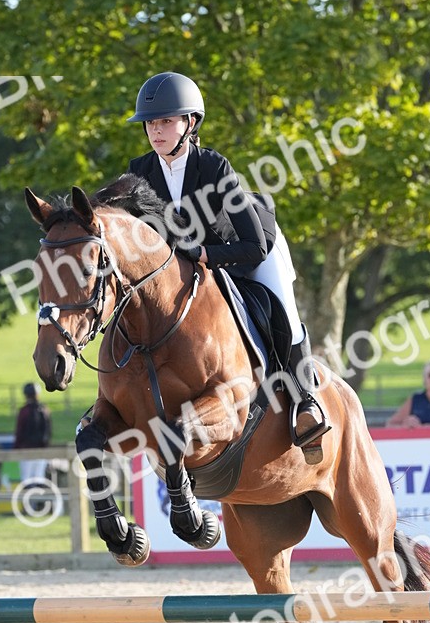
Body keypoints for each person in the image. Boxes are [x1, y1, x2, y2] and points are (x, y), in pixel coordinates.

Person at [126, 70, 329, 460]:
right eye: (151, 123)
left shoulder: (214, 168)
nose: (156, 131)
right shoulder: (140, 172)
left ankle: (306, 402)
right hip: (191, 270)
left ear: (190, 123)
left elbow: (254, 244)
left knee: (282, 309)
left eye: (166, 121)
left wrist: (205, 255)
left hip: (246, 252)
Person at [14, 382, 53, 481]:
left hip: (26, 449)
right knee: (39, 477)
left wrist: (16, 447)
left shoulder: (24, 411)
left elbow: (19, 431)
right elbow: (49, 430)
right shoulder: (44, 410)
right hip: (41, 448)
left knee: (26, 478)